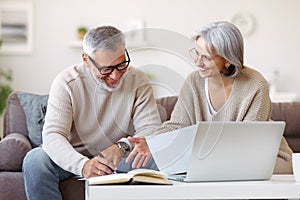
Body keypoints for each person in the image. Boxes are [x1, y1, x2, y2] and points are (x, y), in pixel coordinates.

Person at [127, 21, 293, 174]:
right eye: (196, 54)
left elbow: (246, 143)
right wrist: (153, 142)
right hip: (212, 159)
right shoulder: (194, 81)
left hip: (261, 159)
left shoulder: (256, 85)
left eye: (206, 58)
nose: (198, 63)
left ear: (228, 60)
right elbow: (178, 124)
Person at [22, 25, 161, 200]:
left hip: (120, 157)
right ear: (86, 60)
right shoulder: (66, 82)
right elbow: (53, 135)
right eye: (106, 69)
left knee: (162, 157)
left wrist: (122, 146)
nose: (115, 76)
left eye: (121, 65)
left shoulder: (138, 79)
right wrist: (84, 165)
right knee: (35, 160)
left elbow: (152, 130)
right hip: (75, 156)